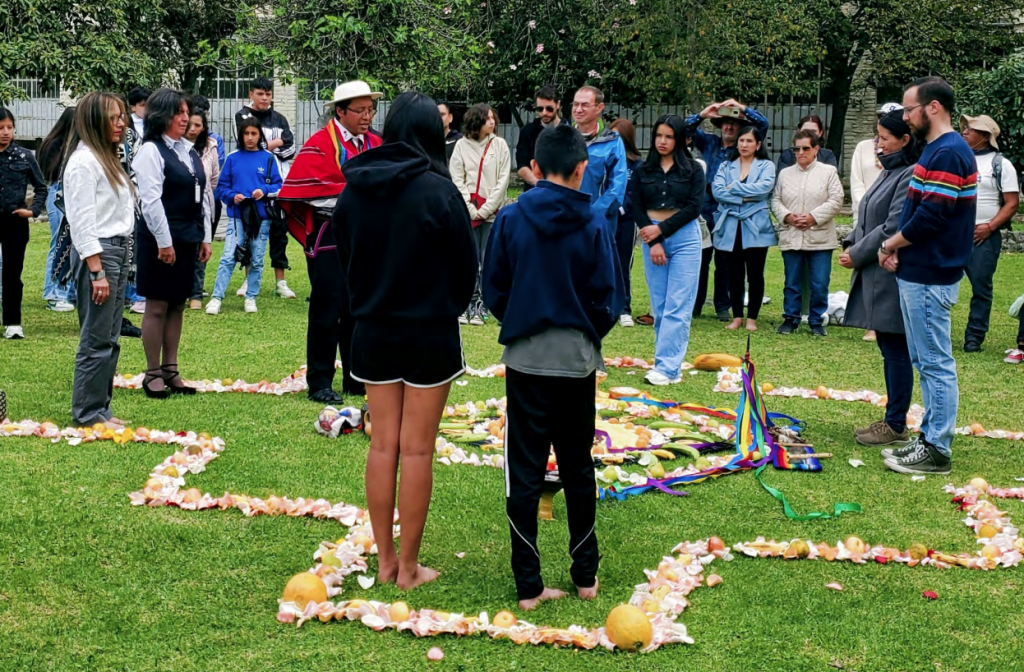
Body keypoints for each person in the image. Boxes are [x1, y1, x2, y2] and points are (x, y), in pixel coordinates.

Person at [334, 91, 477, 590]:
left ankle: (388, 561)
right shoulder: (440, 192)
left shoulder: (355, 189)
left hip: (373, 328)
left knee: (383, 448)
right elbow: (466, 268)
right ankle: (407, 568)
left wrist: (368, 301)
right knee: (415, 451)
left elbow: (343, 255)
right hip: (428, 332)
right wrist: (442, 306)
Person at [482, 123, 619, 610]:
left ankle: (529, 585)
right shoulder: (595, 223)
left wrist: (523, 322)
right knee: (578, 465)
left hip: (526, 357)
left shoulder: (512, 218)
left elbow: (494, 287)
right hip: (575, 359)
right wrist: (583, 333)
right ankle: (585, 576)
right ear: (583, 169)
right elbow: (610, 296)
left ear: (535, 168)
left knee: (525, 468)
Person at [876, 76, 977, 475]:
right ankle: (929, 438)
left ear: (932, 107)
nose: (904, 116)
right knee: (924, 358)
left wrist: (890, 244)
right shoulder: (936, 149)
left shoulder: (950, 151)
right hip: (918, 269)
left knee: (935, 361)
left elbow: (932, 216)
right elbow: (916, 210)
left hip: (932, 272)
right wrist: (898, 248)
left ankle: (937, 449)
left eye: (909, 108)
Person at [277, 80, 381, 404]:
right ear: (340, 111)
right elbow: (307, 192)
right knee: (327, 307)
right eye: (360, 110)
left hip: (365, 238)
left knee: (358, 307)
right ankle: (320, 380)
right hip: (330, 235)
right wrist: (354, 195)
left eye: (371, 109)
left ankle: (355, 376)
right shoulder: (320, 145)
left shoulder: (376, 143)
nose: (367, 116)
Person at [839, 109, 920, 447]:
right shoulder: (889, 172)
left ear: (904, 140)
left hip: (892, 272)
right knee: (889, 347)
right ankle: (892, 419)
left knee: (897, 348)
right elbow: (866, 215)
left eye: (884, 138)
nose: (878, 144)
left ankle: (896, 423)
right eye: (877, 137)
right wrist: (850, 242)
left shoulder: (909, 174)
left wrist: (858, 253)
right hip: (876, 268)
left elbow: (892, 226)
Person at [132, 88, 213, 398]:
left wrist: (204, 236)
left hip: (188, 236)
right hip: (160, 238)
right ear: (161, 116)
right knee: (157, 305)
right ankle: (152, 372)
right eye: (179, 112)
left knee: (178, 304)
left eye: (186, 112)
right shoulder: (151, 150)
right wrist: (164, 243)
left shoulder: (188, 150)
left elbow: (201, 197)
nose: (185, 118)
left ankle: (171, 369)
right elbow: (151, 200)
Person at [63, 92, 136, 428]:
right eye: (113, 118)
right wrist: (97, 271)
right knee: (95, 336)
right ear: (94, 121)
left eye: (122, 117)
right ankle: (88, 412)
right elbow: (81, 220)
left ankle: (101, 407)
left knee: (110, 335)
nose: (121, 123)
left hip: (118, 249)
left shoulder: (107, 158)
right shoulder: (83, 162)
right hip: (100, 254)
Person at [632, 115, 705, 385]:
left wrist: (661, 231)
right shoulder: (642, 169)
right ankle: (666, 363)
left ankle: (667, 368)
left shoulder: (694, 169)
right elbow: (635, 206)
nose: (662, 141)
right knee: (660, 306)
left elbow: (694, 207)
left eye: (669, 136)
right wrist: (653, 240)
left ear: (681, 140)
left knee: (678, 304)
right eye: (659, 135)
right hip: (651, 236)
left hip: (684, 236)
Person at [687, 98, 770, 321]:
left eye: (733, 123)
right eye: (725, 122)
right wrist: (703, 114)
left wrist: (741, 108)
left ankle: (722, 306)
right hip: (705, 206)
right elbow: (682, 130)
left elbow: (763, 125)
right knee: (700, 258)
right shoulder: (709, 143)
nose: (729, 127)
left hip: (729, 209)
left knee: (725, 261)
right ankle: (695, 304)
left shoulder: (742, 147)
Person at [207, 118, 283, 315]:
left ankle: (251, 297)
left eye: (254, 133)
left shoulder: (268, 158)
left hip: (261, 217)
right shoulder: (232, 158)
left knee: (257, 258)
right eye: (246, 133)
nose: (250, 138)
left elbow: (279, 186)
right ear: (240, 135)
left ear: (260, 135)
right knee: (228, 257)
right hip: (237, 216)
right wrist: (233, 196)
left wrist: (264, 190)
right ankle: (216, 298)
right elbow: (221, 188)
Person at [772, 129, 844, 336]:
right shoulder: (785, 174)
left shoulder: (828, 172)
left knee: (819, 282)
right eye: (797, 148)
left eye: (806, 148)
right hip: (792, 233)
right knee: (792, 281)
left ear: (816, 149)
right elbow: (775, 199)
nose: (801, 152)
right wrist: (787, 216)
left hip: (820, 235)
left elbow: (836, 199)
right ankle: (790, 318)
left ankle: (816, 320)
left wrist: (813, 216)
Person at [959, 114, 1019, 353]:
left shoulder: (1001, 164)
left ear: (985, 136)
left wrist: (990, 227)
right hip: (954, 234)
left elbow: (1011, 203)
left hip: (982, 235)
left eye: (970, 129)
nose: (964, 131)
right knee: (939, 283)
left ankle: (974, 337)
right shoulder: (957, 160)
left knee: (980, 288)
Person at [236, 77, 298, 300]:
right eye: (260, 93)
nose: (264, 98)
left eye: (268, 94)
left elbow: (290, 147)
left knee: (279, 233)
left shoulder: (279, 118)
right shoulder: (243, 116)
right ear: (251, 94)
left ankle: (280, 281)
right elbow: (251, 145)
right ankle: (248, 279)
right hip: (252, 185)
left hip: (278, 185)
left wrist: (268, 147)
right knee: (251, 231)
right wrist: (275, 143)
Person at [449, 102, 511, 326]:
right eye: (487, 119)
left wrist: (485, 210)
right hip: (468, 214)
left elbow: (503, 181)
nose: (492, 122)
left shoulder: (500, 145)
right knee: (469, 259)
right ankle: (467, 303)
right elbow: (457, 179)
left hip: (492, 213)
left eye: (493, 118)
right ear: (477, 121)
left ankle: (484, 304)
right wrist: (470, 208)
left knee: (488, 259)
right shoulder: (461, 146)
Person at [711, 126, 776, 332]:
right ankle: (737, 315)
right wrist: (747, 196)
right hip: (731, 224)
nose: (744, 145)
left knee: (755, 273)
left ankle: (752, 318)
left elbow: (764, 189)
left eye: (749, 141)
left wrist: (735, 188)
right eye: (741, 141)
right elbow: (718, 192)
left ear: (758, 145)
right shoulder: (725, 166)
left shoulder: (766, 166)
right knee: (734, 273)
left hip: (755, 224)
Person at [850, 102, 902, 342]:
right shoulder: (864, 148)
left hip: (887, 225)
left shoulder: (905, 168)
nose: (880, 144)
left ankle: (880, 323)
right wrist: (865, 207)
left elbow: (894, 221)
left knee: (883, 272)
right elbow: (857, 181)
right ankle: (869, 322)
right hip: (865, 215)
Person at [0, 107, 47, 340]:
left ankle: (12, 322)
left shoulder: (24, 156)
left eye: (9, 127)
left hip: (14, 222)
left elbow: (41, 187)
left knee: (12, 273)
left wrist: (33, 211)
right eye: (1, 128)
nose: (5, 132)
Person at [38, 107, 78, 313]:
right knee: (59, 242)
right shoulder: (56, 144)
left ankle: (69, 291)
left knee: (75, 243)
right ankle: (54, 292)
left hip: (70, 194)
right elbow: (52, 173)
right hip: (58, 194)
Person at [571, 86, 627, 233]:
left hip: (600, 223)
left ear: (599, 107)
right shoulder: (562, 138)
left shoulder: (613, 142)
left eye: (585, 105)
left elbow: (617, 187)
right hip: (566, 220)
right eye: (576, 104)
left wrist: (592, 213)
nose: (578, 109)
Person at [609, 118, 644, 328]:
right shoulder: (606, 159)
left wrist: (620, 208)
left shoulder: (637, 164)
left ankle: (624, 308)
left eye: (618, 137)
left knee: (622, 264)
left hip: (626, 220)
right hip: (605, 218)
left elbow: (635, 193)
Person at [186, 109, 221, 310]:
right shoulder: (173, 146)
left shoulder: (210, 147)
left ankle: (196, 294)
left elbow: (214, 178)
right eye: (189, 124)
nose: (192, 129)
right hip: (180, 207)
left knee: (202, 248)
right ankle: (180, 291)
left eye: (197, 125)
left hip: (204, 206)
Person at [516, 85, 569, 192]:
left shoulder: (569, 131)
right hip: (534, 193)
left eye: (549, 108)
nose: (544, 113)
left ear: (558, 105)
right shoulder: (527, 131)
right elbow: (522, 167)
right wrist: (540, 185)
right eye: (540, 109)